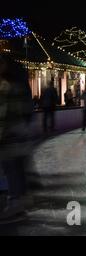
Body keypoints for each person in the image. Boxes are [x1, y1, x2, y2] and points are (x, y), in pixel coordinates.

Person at [0, 54, 33, 223]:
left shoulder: (8, 86)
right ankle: (19, 200)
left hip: (11, 135)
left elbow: (6, 112)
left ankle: (15, 202)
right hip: (18, 134)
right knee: (15, 169)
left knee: (12, 169)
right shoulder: (19, 84)